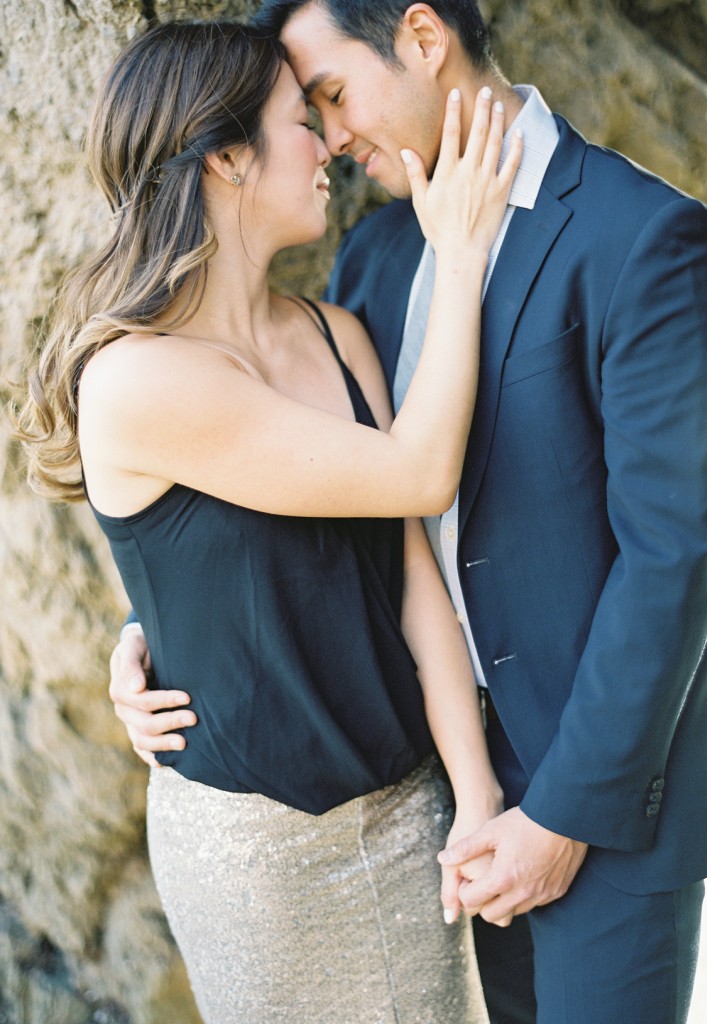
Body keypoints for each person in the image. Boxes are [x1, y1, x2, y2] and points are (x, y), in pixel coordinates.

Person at [109, 3, 707, 1023]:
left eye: (331, 94)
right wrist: (154, 634)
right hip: (437, 806)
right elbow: (300, 501)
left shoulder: (647, 240)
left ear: (419, 36)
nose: (330, 135)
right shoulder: (375, 258)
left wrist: (563, 816)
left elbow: (671, 558)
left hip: (607, 798)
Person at [15, 18, 529, 1024]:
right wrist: (458, 257)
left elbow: (409, 572)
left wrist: (472, 794)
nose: (329, 143)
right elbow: (419, 471)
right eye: (304, 119)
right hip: (258, 859)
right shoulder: (136, 380)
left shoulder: (337, 335)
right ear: (226, 157)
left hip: (406, 812)